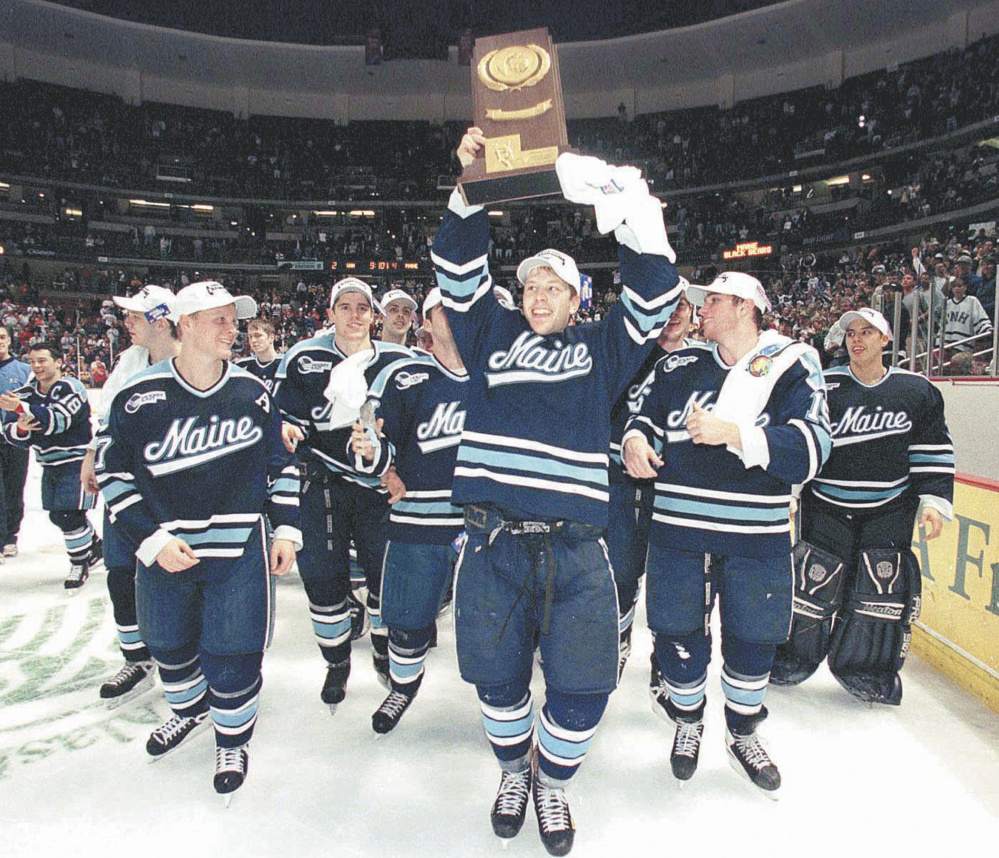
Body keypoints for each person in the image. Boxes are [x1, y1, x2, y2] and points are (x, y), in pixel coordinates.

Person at [435, 128, 682, 855]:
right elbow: (456, 268)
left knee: (582, 689)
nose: (538, 295)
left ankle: (554, 783)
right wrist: (471, 184)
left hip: (576, 551)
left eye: (555, 287)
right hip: (493, 543)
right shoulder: (490, 335)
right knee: (496, 682)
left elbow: (655, 290)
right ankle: (515, 770)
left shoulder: (601, 348)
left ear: (578, 298)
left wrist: (630, 210)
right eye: (530, 285)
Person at [622, 271, 831, 797]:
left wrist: (735, 434)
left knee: (754, 637)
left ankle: (742, 732)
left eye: (712, 300)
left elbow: (813, 447)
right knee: (674, 629)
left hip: (755, 536)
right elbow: (641, 419)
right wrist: (633, 441)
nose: (701, 309)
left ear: (743, 307)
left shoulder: (791, 362)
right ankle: (688, 719)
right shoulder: (678, 364)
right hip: (677, 533)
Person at [94, 280, 301, 800]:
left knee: (234, 651)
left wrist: (289, 530)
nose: (235, 330)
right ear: (184, 325)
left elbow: (281, 467)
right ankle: (190, 713)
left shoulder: (253, 392)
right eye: (221, 320)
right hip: (167, 551)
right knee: (167, 644)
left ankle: (232, 739)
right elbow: (113, 473)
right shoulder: (138, 398)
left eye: (236, 319)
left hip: (237, 551)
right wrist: (151, 539)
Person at [772, 308, 954, 704]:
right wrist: (789, 489)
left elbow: (932, 446)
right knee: (811, 583)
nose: (857, 340)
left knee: (881, 592)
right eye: (851, 333)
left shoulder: (916, 390)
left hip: (890, 508)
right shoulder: (825, 385)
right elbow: (802, 440)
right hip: (826, 505)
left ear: (885, 339)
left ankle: (867, 671)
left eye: (867, 332)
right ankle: (788, 658)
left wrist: (934, 500)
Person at [274, 277, 412, 713]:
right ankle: (336, 662)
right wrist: (285, 427)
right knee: (323, 579)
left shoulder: (396, 360)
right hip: (323, 483)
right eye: (345, 306)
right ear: (329, 313)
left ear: (374, 316)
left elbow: (413, 427)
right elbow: (278, 414)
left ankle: (382, 649)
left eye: (362, 308)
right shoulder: (303, 357)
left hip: (377, 488)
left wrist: (399, 469)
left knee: (385, 579)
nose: (354, 315)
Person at [351, 286, 468, 733]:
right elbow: (373, 443)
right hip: (418, 518)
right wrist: (376, 459)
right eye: (443, 308)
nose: (455, 315)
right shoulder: (405, 378)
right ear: (428, 324)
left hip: (486, 523)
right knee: (406, 616)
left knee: (499, 626)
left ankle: (505, 702)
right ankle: (402, 685)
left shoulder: (498, 375)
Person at [82, 285, 181, 706]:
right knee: (120, 570)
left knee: (176, 573)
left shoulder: (192, 359)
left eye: (134, 317)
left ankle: (184, 658)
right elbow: (106, 416)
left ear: (160, 320)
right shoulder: (129, 361)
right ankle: (137, 658)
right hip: (127, 481)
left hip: (174, 486)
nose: (126, 324)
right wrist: (91, 455)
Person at [607, 286, 697, 678]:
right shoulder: (628, 356)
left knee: (673, 585)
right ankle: (617, 637)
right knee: (621, 570)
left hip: (680, 488)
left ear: (694, 315)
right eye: (666, 305)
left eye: (682, 306)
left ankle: (666, 665)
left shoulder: (703, 364)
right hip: (620, 478)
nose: (673, 314)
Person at [0, 341, 103, 589]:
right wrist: (23, 427)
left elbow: (59, 420)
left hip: (76, 462)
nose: (37, 366)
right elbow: (10, 432)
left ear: (58, 362)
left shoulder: (72, 386)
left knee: (67, 514)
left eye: (42, 360)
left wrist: (24, 412)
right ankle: (95, 545)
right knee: (58, 516)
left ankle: (80, 562)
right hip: (48, 463)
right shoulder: (25, 393)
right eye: (33, 361)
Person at [0, 326, 31, 557]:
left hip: (15, 438)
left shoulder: (23, 370)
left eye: (2, 337)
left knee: (13, 487)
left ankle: (10, 536)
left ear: (9, 340)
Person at [235, 317, 281, 392]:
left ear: (271, 338)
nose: (253, 340)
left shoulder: (285, 364)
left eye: (258, 335)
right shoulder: (241, 365)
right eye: (250, 336)